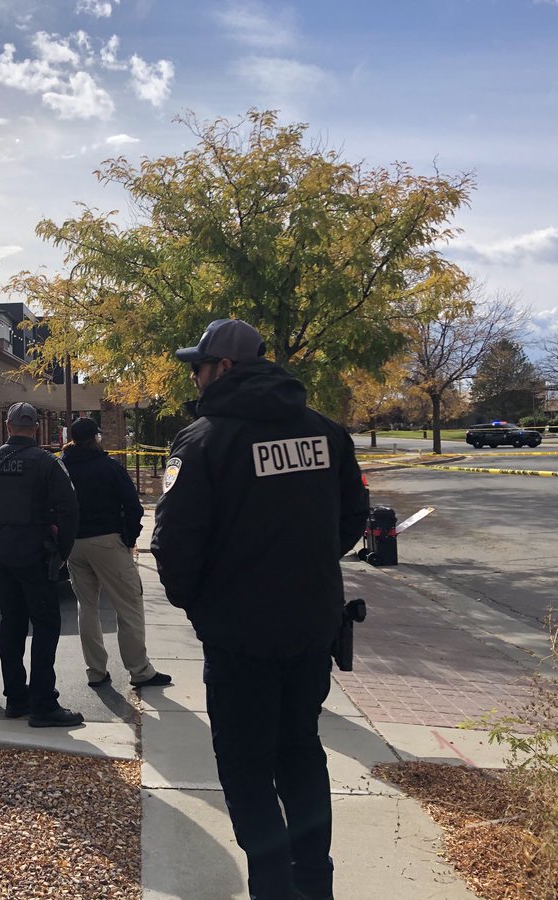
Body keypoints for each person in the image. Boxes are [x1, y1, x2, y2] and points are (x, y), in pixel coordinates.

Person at [151, 319, 368, 900]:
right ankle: (313, 885)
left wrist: (201, 605)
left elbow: (172, 545)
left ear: (223, 368)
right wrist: (306, 571)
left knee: (246, 767)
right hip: (310, 625)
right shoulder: (326, 433)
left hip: (239, 636)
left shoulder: (202, 440)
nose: (193, 378)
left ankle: (273, 889)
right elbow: (351, 522)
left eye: (197, 367)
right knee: (299, 750)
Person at [0, 402, 83, 728]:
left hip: (3, 558)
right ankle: (43, 704)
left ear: (7, 425)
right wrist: (63, 550)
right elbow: (69, 509)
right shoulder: (48, 463)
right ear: (35, 428)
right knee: (45, 628)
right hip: (38, 556)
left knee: (12, 625)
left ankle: (16, 699)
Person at [60, 417, 171, 690]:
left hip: (74, 543)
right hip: (108, 540)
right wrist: (128, 538)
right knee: (129, 605)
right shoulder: (109, 467)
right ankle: (139, 669)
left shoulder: (61, 467)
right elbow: (132, 506)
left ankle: (96, 671)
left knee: (86, 607)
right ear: (96, 437)